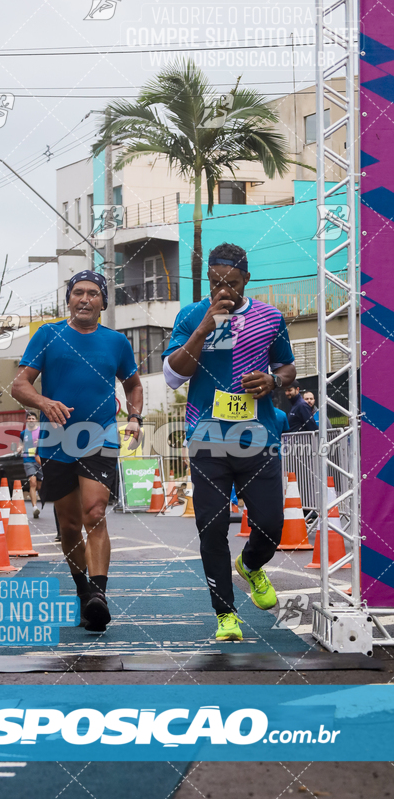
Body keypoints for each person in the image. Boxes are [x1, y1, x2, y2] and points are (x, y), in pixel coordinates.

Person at [162, 243, 296, 642]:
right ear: (208, 281)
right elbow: (172, 376)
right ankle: (226, 615)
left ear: (246, 280)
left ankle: (252, 564)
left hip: (259, 438)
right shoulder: (190, 317)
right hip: (207, 438)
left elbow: (287, 366)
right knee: (212, 527)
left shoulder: (270, 318)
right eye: (217, 283)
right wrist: (204, 327)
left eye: (232, 283)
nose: (225, 290)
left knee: (271, 525)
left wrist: (274, 381)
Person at [11, 270, 143, 632]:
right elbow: (19, 385)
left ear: (103, 301)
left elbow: (133, 385)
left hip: (99, 435)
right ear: (68, 299)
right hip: (56, 439)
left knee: (95, 512)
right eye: (78, 293)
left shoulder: (116, 342)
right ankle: (84, 592)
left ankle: (99, 595)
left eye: (93, 293)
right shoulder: (48, 335)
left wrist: (134, 418)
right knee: (69, 525)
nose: (85, 299)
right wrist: (43, 400)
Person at [18, 411, 42, 519]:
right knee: (32, 482)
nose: (31, 420)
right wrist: (19, 449)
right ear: (26, 420)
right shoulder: (23, 433)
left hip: (39, 459)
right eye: (29, 419)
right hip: (28, 459)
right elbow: (20, 444)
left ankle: (35, 494)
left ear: (36, 420)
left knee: (39, 485)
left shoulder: (41, 431)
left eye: (33, 418)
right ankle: (34, 507)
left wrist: (41, 442)